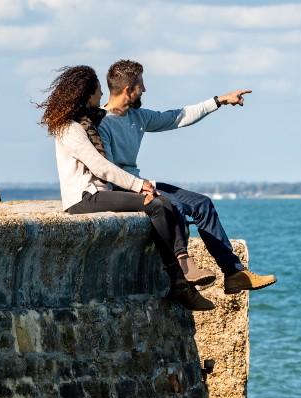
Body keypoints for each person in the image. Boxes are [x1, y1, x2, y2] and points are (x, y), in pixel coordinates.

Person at [38, 65, 214, 311]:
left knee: (164, 201)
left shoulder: (88, 122)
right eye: (98, 91)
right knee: (154, 205)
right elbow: (99, 166)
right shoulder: (70, 128)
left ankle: (184, 270)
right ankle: (178, 280)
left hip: (101, 193)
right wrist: (138, 184)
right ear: (86, 95)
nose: (101, 96)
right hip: (85, 197)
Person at [97, 59, 277, 295]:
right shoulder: (103, 123)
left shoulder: (137, 117)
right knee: (177, 205)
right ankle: (185, 269)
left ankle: (235, 274)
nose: (145, 90)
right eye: (141, 85)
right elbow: (108, 170)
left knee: (202, 204)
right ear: (128, 90)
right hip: (126, 188)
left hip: (142, 183)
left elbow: (177, 117)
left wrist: (219, 101)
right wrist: (139, 187)